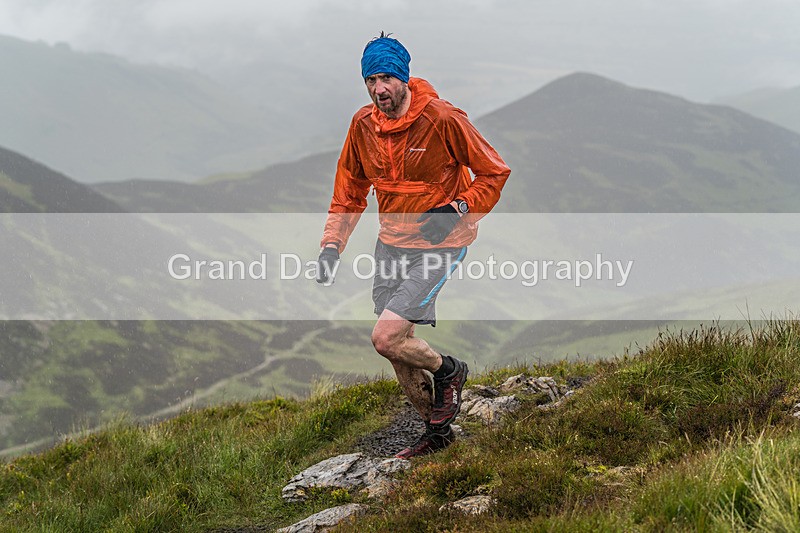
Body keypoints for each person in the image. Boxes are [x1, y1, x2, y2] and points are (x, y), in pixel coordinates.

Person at [316, 32, 510, 459]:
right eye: (370, 80)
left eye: (386, 77)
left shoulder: (442, 118)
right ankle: (437, 438)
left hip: (440, 244)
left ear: (403, 77)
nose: (378, 89)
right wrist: (332, 246)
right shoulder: (362, 125)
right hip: (391, 245)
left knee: (385, 337)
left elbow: (494, 173)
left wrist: (457, 209)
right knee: (397, 351)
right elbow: (349, 191)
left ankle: (449, 371)